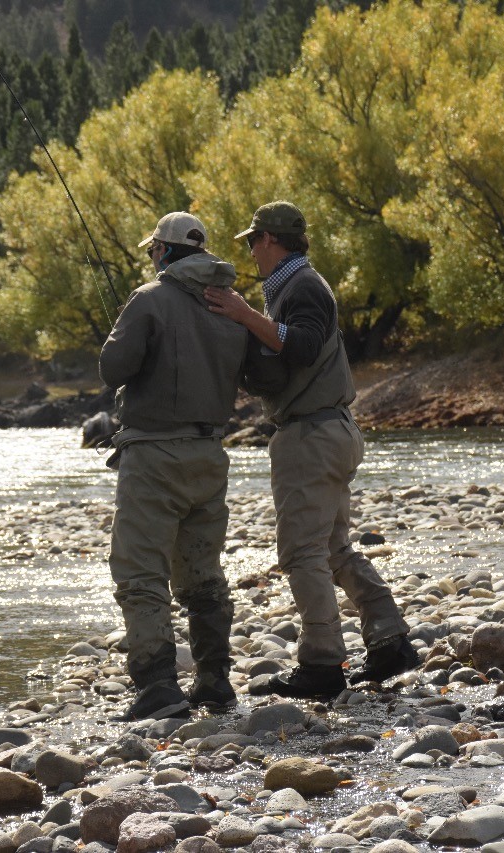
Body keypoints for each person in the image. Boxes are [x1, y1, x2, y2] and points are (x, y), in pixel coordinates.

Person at [203, 200, 418, 699]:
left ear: (272, 240)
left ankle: (322, 664)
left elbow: (298, 346)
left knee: (303, 554)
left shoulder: (303, 287)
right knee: (334, 550)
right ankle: (390, 639)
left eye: (253, 241)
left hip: (312, 435)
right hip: (327, 431)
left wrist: (242, 313)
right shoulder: (294, 287)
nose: (251, 252)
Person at [99, 211, 249, 721]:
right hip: (209, 456)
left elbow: (113, 367)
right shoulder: (231, 306)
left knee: (141, 571)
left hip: (153, 458)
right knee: (203, 574)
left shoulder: (149, 300)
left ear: (163, 252)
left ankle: (158, 684)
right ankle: (214, 681)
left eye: (151, 252)